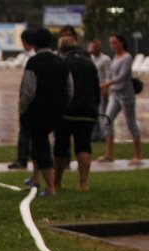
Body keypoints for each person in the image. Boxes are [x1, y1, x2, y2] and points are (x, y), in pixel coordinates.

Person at [18, 27, 72, 197]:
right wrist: (63, 105)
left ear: (34, 44)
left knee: (41, 146)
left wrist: (22, 109)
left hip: (37, 112)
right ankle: (46, 180)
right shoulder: (62, 62)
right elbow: (70, 88)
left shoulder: (33, 63)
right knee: (56, 145)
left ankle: (50, 187)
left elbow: (28, 90)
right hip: (58, 110)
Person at [53, 35, 100, 192]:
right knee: (84, 146)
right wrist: (95, 107)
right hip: (87, 112)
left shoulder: (62, 62)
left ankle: (57, 182)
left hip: (66, 112)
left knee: (60, 147)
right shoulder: (89, 62)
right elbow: (96, 87)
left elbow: (59, 88)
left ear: (61, 48)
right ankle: (83, 183)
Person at [98, 34, 142, 165]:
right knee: (107, 120)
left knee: (131, 123)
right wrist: (108, 88)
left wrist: (106, 85)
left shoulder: (127, 57)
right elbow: (111, 75)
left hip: (126, 94)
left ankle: (138, 155)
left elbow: (122, 77)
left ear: (122, 43)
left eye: (115, 43)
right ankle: (109, 154)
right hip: (115, 94)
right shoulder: (115, 57)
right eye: (111, 43)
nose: (113, 46)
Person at [9, 30, 37, 171]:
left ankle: (22, 159)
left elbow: (28, 82)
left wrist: (23, 102)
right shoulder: (32, 56)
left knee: (25, 131)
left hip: (30, 98)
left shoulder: (31, 58)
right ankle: (30, 157)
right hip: (35, 98)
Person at [88, 39, 111, 142]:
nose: (91, 49)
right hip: (92, 89)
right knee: (93, 113)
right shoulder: (91, 58)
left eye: (93, 47)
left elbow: (108, 75)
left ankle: (105, 135)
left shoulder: (105, 59)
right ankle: (96, 134)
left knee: (102, 112)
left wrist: (106, 88)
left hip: (102, 88)